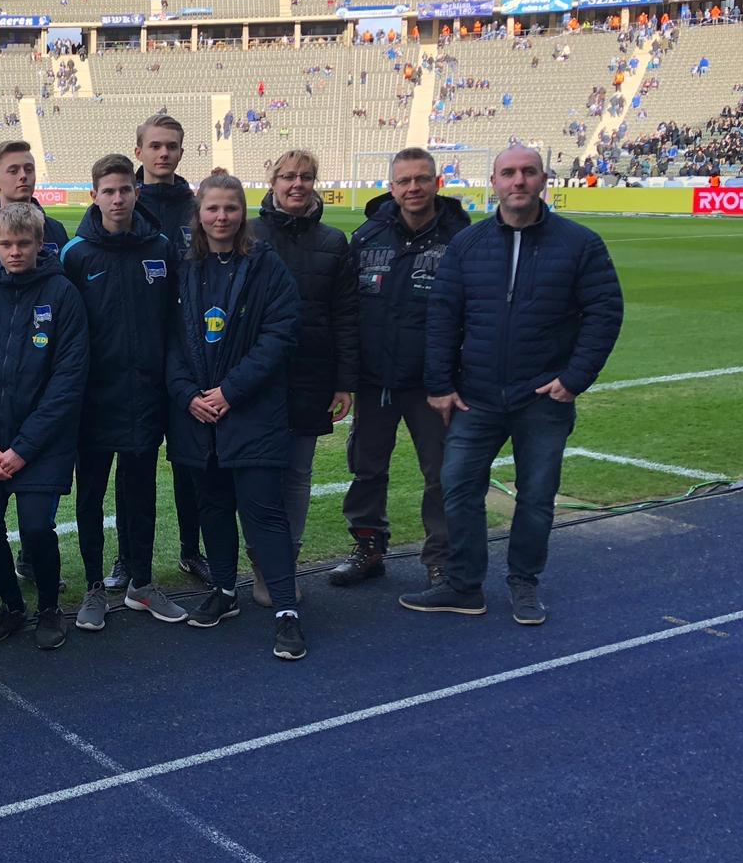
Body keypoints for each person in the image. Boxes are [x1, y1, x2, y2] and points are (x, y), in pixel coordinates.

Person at [406, 146, 623, 623]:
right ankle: (464, 584)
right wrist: (440, 384)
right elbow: (443, 316)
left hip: (542, 398)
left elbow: (604, 314)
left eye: (527, 172)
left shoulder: (580, 244)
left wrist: (574, 379)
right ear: (494, 181)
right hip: (476, 396)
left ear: (544, 179)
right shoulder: (468, 244)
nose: (518, 181)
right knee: (458, 487)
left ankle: (524, 581)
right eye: (508, 173)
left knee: (537, 496)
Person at [164, 171, 305, 659]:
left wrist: (230, 391)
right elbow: (171, 343)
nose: (221, 217)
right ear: (198, 215)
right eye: (212, 209)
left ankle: (286, 610)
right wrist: (188, 395)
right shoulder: (185, 268)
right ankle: (224, 591)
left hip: (251, 412)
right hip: (198, 416)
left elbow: (280, 335)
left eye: (230, 208)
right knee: (214, 508)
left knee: (264, 513)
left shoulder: (266, 265)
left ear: (243, 212)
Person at [334, 148, 470, 590]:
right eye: (404, 180)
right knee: (367, 468)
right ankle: (369, 547)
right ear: (391, 187)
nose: (413, 188)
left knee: (441, 472)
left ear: (437, 183)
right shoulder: (367, 236)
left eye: (422, 179)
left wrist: (451, 377)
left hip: (434, 384)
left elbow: (473, 313)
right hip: (375, 381)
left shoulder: (462, 239)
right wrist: (347, 377)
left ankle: (441, 559)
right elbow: (348, 312)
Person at [60, 154, 186, 629]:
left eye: (125, 190)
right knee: (90, 495)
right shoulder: (76, 254)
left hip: (146, 398)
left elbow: (174, 321)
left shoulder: (160, 247)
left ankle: (141, 583)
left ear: (137, 192)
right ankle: (94, 586)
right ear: (94, 195)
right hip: (93, 403)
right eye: (108, 191)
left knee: (140, 493)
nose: (117, 198)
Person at [0, 201, 89, 649]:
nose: (15, 252)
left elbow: (68, 381)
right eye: (7, 244)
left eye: (24, 243)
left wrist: (24, 448)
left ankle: (49, 608)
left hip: (41, 444)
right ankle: (12, 606)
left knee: (35, 528)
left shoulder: (62, 294)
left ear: (39, 245)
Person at [252, 150, 358, 604]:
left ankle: (285, 564)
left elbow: (346, 316)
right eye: (288, 176)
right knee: (257, 477)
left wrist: (344, 380)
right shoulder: (249, 234)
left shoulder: (334, 241)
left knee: (296, 475)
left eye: (306, 177)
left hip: (311, 375)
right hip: (255, 378)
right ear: (272, 181)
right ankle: (262, 565)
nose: (297, 184)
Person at [130, 114, 206, 588]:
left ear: (181, 152)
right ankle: (129, 559)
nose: (163, 153)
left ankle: (190, 549)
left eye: (172, 146)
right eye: (155, 145)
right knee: (134, 467)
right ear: (139, 151)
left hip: (189, 354)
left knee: (189, 461)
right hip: (135, 357)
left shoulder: (197, 206)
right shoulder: (120, 200)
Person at [0, 140, 70, 317]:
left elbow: (67, 295)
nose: (23, 176)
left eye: (29, 169)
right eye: (13, 171)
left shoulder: (55, 229)